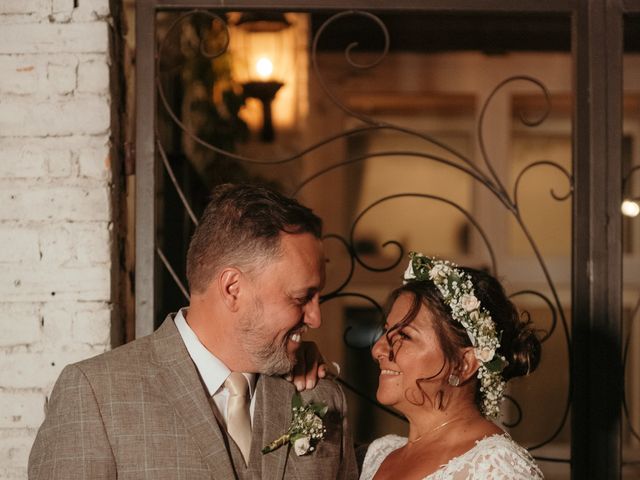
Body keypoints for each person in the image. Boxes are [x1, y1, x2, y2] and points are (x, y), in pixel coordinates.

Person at [28, 183, 358, 479]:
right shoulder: (97, 397)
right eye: (302, 298)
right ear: (233, 288)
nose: (316, 319)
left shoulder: (320, 394)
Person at [359, 252, 544, 479]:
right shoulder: (379, 454)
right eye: (386, 331)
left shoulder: (495, 468)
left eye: (405, 336)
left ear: (464, 364)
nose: (378, 349)